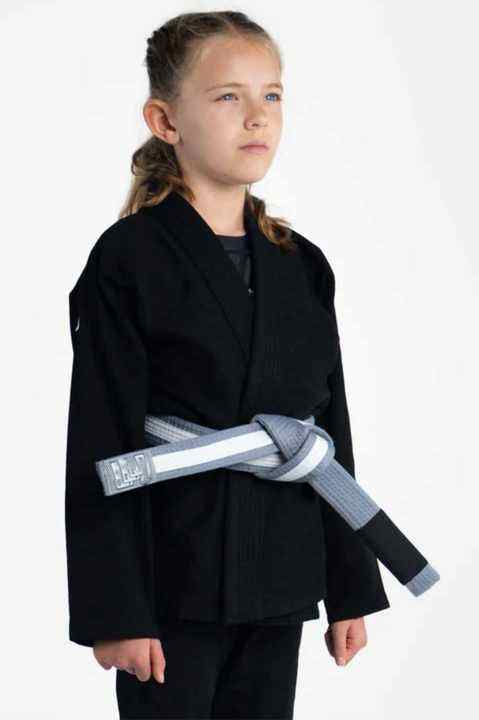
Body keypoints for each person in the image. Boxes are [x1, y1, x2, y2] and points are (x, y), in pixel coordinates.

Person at [64, 10, 390, 719]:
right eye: (227, 96)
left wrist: (350, 586)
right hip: (171, 579)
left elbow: (326, 434)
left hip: (281, 570)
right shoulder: (128, 260)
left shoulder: (301, 266)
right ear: (165, 120)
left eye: (271, 95)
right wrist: (117, 611)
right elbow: (99, 437)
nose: (257, 116)